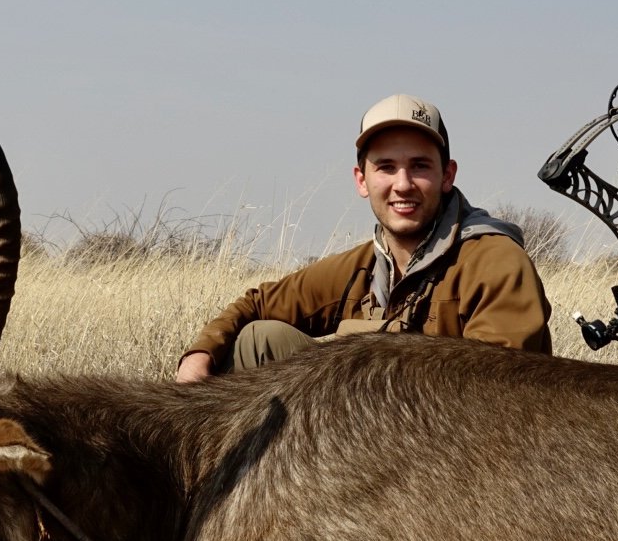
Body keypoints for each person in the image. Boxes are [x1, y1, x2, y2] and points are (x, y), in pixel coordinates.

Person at [176, 94, 552, 381]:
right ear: (361, 179)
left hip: (465, 457)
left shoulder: (496, 261)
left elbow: (495, 397)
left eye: (419, 166)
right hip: (368, 439)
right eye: (386, 167)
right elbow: (256, 304)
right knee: (258, 340)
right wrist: (199, 355)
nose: (402, 185)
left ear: (447, 175)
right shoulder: (366, 265)